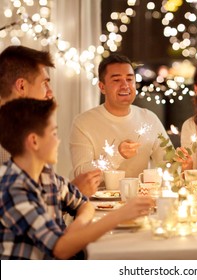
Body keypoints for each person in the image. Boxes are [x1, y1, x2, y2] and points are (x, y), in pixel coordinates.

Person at [0, 98, 153, 259]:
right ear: (34, 141)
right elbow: (60, 249)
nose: (58, 141)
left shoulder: (46, 175)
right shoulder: (12, 187)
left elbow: (83, 203)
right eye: (53, 133)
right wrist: (119, 215)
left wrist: (74, 229)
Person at [0, 45, 101, 197]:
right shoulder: (9, 137)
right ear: (21, 86)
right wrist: (74, 192)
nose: (50, 92)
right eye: (44, 83)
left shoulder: (29, 125)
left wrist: (69, 192)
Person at [70, 53, 171, 178]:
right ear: (102, 87)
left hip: (140, 196)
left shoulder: (149, 119)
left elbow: (168, 163)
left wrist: (182, 163)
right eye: (116, 80)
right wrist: (117, 155)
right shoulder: (84, 123)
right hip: (96, 197)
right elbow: (81, 174)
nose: (125, 86)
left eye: (129, 79)